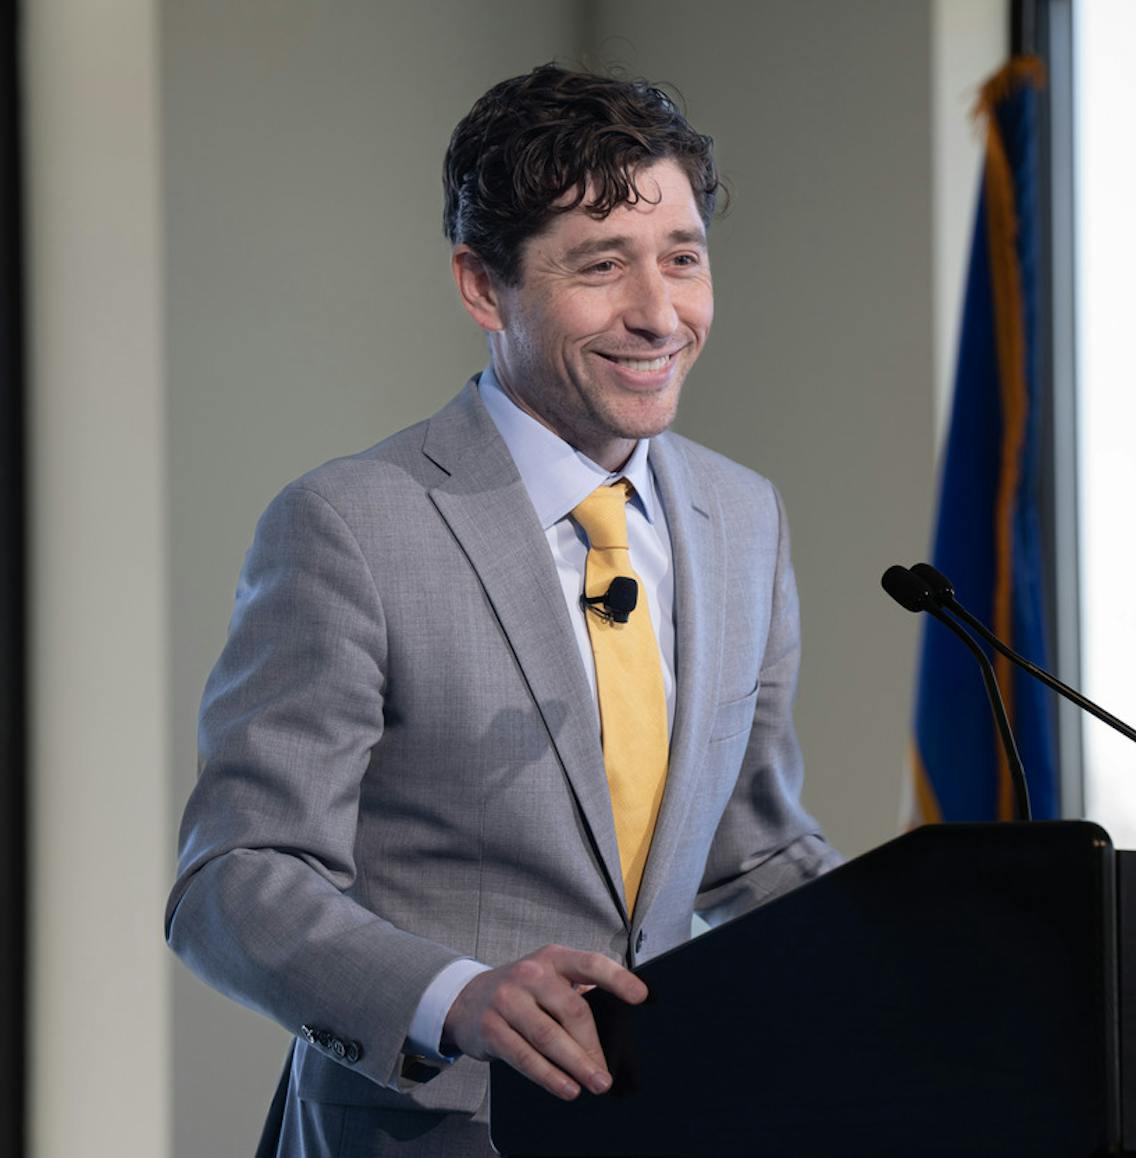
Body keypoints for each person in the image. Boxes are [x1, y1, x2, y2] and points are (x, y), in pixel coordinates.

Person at [166, 63, 842, 1158]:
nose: (658, 312)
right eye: (601, 267)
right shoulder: (349, 524)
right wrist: (455, 996)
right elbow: (234, 883)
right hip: (419, 1133)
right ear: (484, 287)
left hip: (669, 1125)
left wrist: (938, 955)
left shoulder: (740, 515)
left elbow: (751, 856)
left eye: (681, 259)